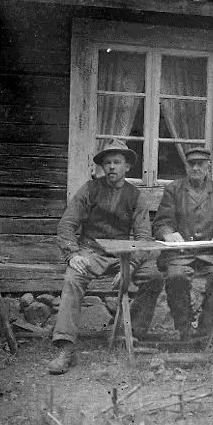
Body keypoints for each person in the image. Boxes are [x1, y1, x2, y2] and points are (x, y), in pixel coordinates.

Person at [48, 139, 163, 374]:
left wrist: (130, 265)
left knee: (155, 276)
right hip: (91, 253)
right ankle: (66, 348)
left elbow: (143, 238)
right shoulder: (89, 190)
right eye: (107, 163)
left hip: (123, 255)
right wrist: (72, 254)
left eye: (117, 162)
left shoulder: (135, 196)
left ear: (127, 167)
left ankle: (128, 333)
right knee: (73, 279)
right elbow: (66, 225)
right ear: (102, 166)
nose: (112, 167)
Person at [153, 147, 213, 340]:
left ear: (209, 166)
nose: (196, 167)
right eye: (192, 163)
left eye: (201, 164)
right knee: (176, 279)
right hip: (180, 253)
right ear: (186, 166)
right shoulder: (173, 190)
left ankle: (205, 333)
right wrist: (168, 233)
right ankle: (184, 329)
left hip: (210, 254)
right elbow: (161, 222)